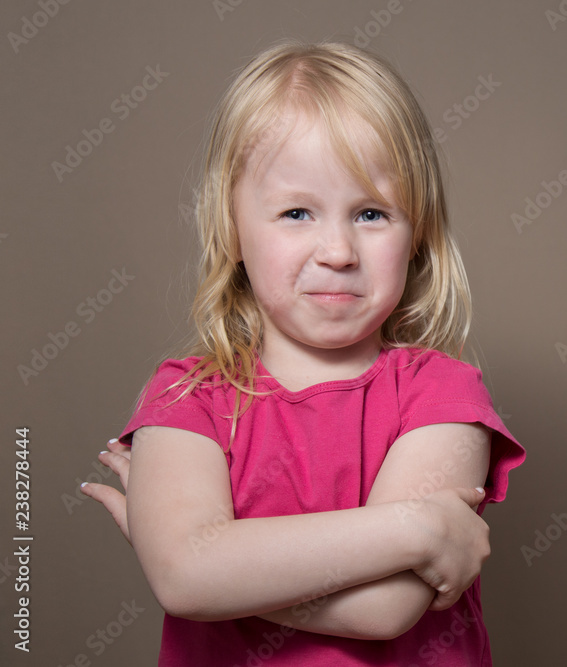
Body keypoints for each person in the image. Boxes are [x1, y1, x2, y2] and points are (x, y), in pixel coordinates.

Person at [81, 39, 525, 666]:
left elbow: (384, 609)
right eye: (296, 212)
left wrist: (210, 569)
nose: (338, 251)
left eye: (371, 214)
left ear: (418, 232)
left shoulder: (444, 394)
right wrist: (419, 527)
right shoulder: (187, 398)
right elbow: (185, 579)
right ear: (232, 230)